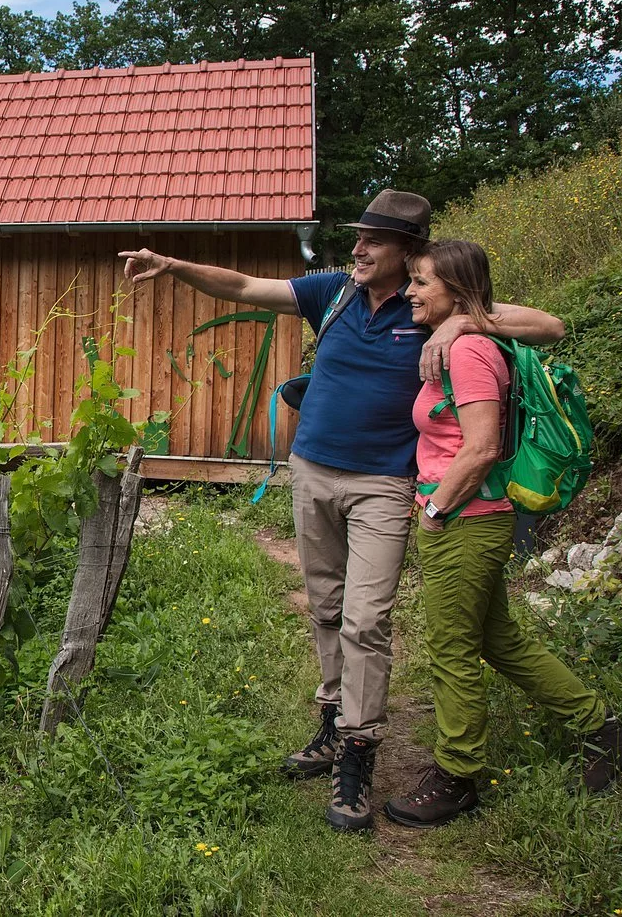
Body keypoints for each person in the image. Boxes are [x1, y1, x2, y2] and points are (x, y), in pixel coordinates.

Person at [118, 190, 565, 832]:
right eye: (357, 237)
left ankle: (357, 753)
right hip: (311, 471)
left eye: (371, 241)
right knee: (325, 605)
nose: (356, 249)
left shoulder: (430, 305)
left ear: (407, 253)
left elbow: (550, 326)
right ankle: (330, 723)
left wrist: (467, 321)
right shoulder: (335, 291)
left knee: (366, 619)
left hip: (383, 484)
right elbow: (245, 285)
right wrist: (175, 265)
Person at [380, 240, 622, 827]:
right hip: (470, 515)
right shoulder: (470, 337)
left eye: (422, 282)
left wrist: (435, 510)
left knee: (452, 651)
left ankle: (457, 776)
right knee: (501, 642)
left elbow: (479, 448)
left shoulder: (470, 350)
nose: (409, 292)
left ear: (454, 288)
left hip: (466, 519)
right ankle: (609, 734)